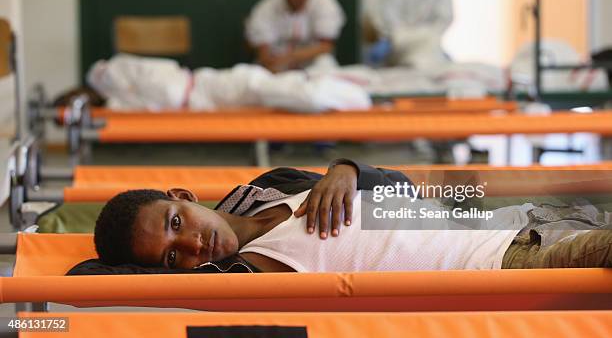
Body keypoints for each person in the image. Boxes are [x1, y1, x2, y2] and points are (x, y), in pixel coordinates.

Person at [93, 159, 611, 273]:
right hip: (503, 263)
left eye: (177, 224)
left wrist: (350, 170)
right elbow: (91, 280)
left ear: (183, 195)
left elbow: (403, 188)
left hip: (514, 218)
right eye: (170, 257)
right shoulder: (242, 274)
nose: (192, 246)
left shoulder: (272, 185)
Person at [78, 53, 371, 113]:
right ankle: (330, 87)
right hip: (204, 99)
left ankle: (343, 91)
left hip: (209, 86)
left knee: (266, 88)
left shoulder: (110, 71)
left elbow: (163, 80)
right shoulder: (116, 101)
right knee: (272, 92)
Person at [246, 0, 346, 73]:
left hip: (310, 62)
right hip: (278, 61)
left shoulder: (325, 2)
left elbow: (326, 46)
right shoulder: (266, 8)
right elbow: (264, 54)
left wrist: (293, 56)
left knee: (325, 63)